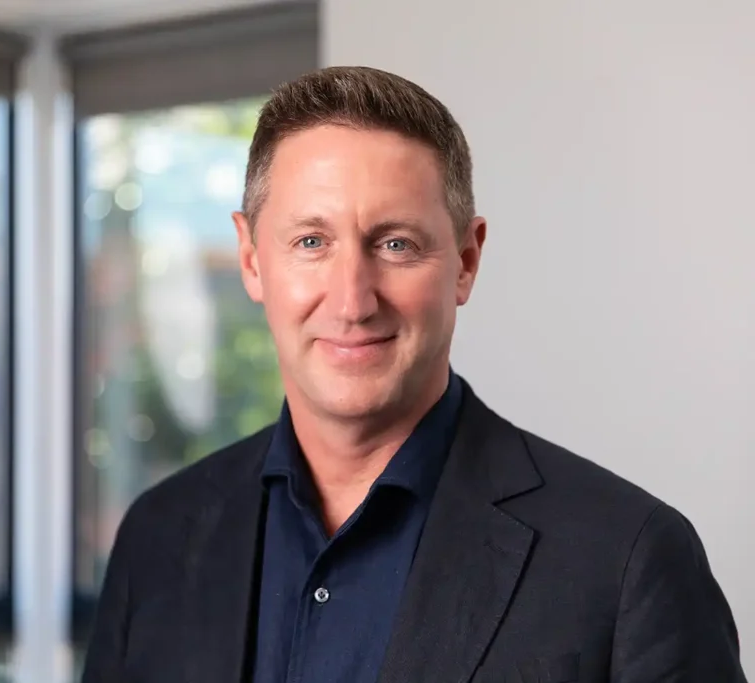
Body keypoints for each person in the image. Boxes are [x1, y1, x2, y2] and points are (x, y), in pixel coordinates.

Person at [80, 66, 747, 683]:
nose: (351, 299)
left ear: (465, 260)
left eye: (395, 243)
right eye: (311, 241)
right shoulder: (158, 538)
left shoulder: (629, 560)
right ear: (252, 259)